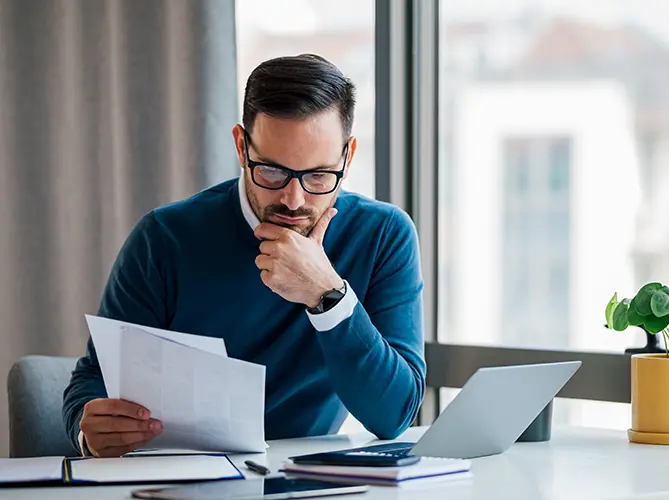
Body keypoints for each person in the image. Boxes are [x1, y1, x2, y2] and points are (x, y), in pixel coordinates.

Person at [62, 54, 425, 458]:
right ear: (241, 146)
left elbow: (394, 415)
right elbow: (93, 379)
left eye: (319, 175)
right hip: (183, 474)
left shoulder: (383, 235)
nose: (294, 199)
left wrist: (328, 297)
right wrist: (88, 429)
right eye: (272, 172)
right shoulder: (165, 238)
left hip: (307, 476)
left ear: (348, 157)